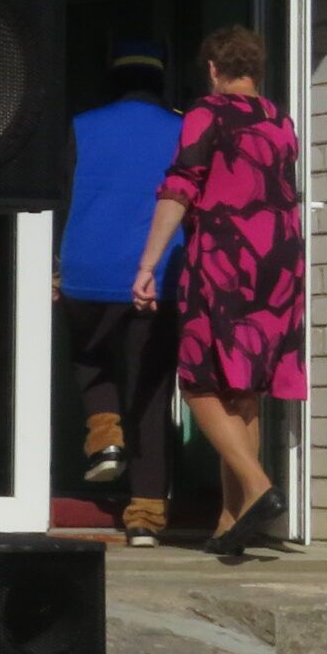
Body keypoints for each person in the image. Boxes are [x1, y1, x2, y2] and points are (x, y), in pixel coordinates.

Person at [133, 24, 306, 559]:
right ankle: (231, 521)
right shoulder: (280, 120)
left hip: (227, 254)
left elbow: (181, 187)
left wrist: (148, 264)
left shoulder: (208, 113)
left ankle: (257, 487)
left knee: (198, 380)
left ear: (212, 69)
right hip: (279, 258)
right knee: (243, 386)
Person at [58, 39, 184, 546]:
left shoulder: (81, 126)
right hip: (159, 275)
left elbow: (61, 196)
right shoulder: (182, 129)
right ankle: (145, 516)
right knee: (151, 389)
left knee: (89, 357)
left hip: (86, 267)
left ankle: (106, 437)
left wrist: (53, 264)